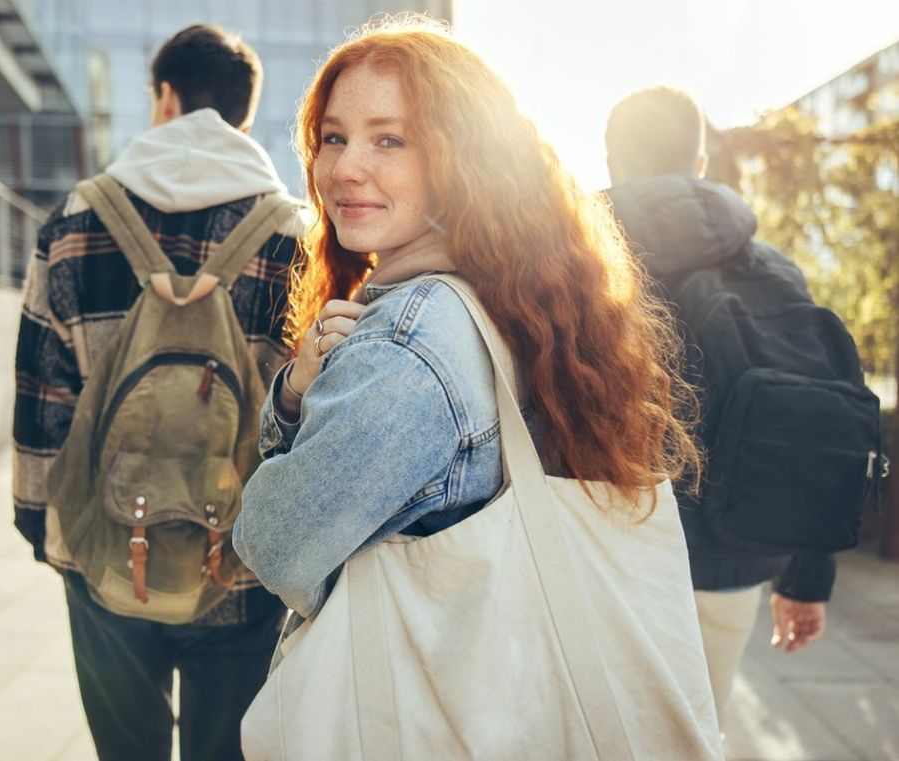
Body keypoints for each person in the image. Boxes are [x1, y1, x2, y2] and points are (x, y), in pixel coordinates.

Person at [232, 15, 718, 758]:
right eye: (333, 137)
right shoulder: (512, 294)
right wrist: (303, 391)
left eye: (389, 139)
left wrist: (288, 403)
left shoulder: (411, 339)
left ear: (463, 158)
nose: (344, 168)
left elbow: (275, 543)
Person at [13, 24, 301, 761]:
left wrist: (42, 522)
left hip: (107, 546)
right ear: (242, 111)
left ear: (165, 97)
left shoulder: (78, 217)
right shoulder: (291, 232)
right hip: (235, 557)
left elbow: (40, 389)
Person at [604, 85, 834, 719]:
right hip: (734, 553)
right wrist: (805, 576)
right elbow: (815, 416)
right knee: (700, 733)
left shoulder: (572, 263)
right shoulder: (774, 269)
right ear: (699, 166)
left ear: (613, 164)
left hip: (602, 552)